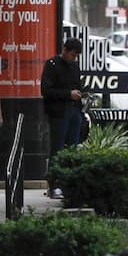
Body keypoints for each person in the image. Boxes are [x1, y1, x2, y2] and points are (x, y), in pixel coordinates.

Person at [39, 34, 88, 191]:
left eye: (76, 56)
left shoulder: (74, 66)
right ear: (65, 50)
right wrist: (68, 94)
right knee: (58, 147)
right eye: (72, 54)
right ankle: (54, 184)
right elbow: (46, 90)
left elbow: (77, 86)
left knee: (72, 146)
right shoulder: (52, 65)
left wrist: (80, 97)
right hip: (59, 112)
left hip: (74, 110)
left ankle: (69, 183)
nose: (74, 58)